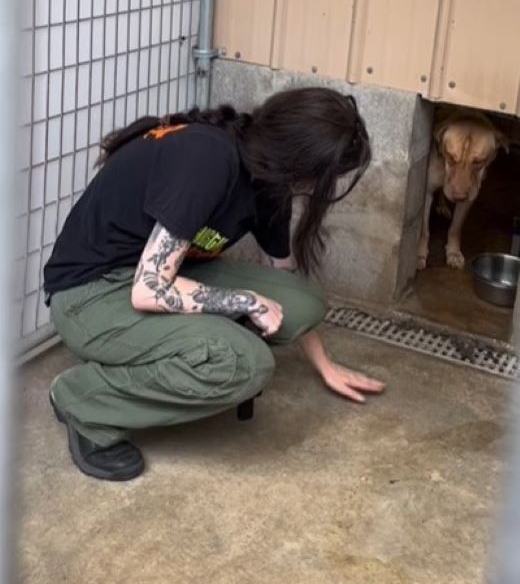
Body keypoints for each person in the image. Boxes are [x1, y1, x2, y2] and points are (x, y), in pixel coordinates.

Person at [43, 87, 385, 482]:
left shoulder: (269, 177)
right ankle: (83, 400)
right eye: (324, 178)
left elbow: (283, 274)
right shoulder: (208, 159)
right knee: (244, 365)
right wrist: (242, 300)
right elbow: (149, 288)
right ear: (301, 162)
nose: (316, 190)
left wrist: (325, 364)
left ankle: (194, 344)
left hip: (161, 275)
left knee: (304, 302)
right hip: (91, 295)